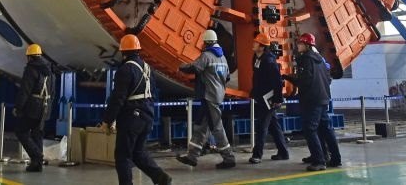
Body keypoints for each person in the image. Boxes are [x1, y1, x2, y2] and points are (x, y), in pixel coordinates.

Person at [102, 35, 172, 185]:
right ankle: (161, 178)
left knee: (122, 156)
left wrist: (108, 120)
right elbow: (152, 93)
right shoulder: (147, 68)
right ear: (138, 50)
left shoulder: (125, 70)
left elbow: (117, 98)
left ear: (123, 51)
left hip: (132, 119)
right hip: (147, 116)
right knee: (137, 153)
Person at [176, 29, 235, 170]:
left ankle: (229, 158)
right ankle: (192, 156)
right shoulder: (223, 58)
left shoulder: (206, 55)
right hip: (217, 95)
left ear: (206, 42)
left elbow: (195, 68)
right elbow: (227, 77)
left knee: (216, 127)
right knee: (201, 126)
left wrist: (181, 66)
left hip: (209, 97)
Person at [285, 33, 341, 171]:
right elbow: (328, 79)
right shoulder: (320, 59)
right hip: (323, 98)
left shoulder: (305, 59)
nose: (298, 46)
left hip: (311, 100)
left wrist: (288, 78)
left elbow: (304, 81)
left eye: (300, 43)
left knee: (310, 129)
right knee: (326, 129)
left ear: (306, 45)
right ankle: (335, 158)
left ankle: (319, 161)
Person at [249, 33, 289, 163]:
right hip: (262, 98)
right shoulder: (256, 58)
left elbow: (277, 81)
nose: (253, 44)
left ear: (262, 46)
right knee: (274, 126)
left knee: (262, 126)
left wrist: (277, 99)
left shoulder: (269, 61)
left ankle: (257, 155)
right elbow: (257, 77)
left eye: (256, 42)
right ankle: (283, 152)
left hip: (269, 100)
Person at [15, 43, 52, 173]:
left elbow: (25, 90)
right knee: (37, 133)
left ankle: (37, 156)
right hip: (45, 106)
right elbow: (53, 91)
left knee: (21, 131)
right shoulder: (50, 70)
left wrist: (18, 107)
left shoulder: (31, 69)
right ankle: (37, 164)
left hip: (33, 107)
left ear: (30, 57)